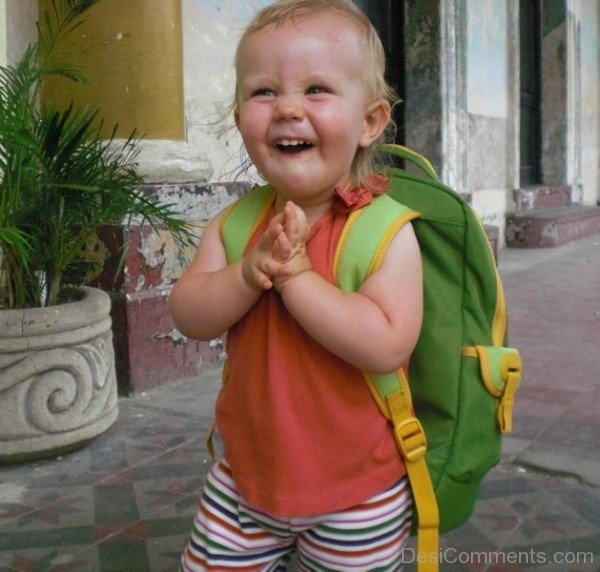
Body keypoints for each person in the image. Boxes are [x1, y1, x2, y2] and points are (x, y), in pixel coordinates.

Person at [168, 0, 423, 569]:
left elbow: (387, 345)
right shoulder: (235, 226)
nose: (286, 109)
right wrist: (246, 273)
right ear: (239, 120)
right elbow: (189, 314)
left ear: (370, 122)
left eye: (315, 90)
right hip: (242, 482)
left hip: (358, 494)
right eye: (263, 92)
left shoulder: (383, 230)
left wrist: (298, 280)